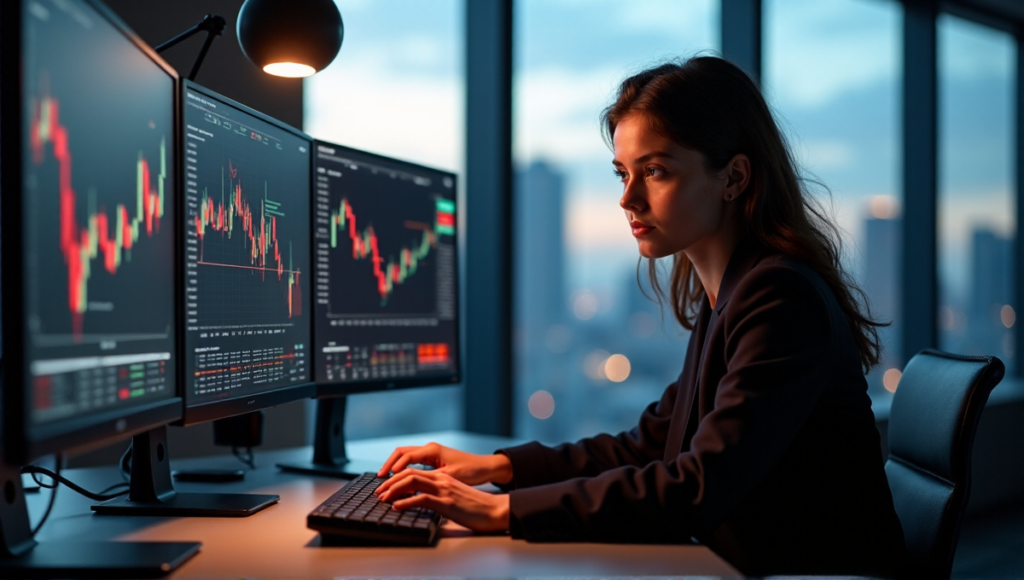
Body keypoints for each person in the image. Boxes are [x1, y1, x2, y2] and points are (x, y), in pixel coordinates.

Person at [373, 56, 907, 578]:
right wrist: (497, 467)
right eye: (622, 173)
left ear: (734, 177)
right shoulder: (732, 296)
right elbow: (650, 442)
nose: (628, 198)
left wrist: (498, 511)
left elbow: (697, 486)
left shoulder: (777, 297)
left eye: (655, 171)